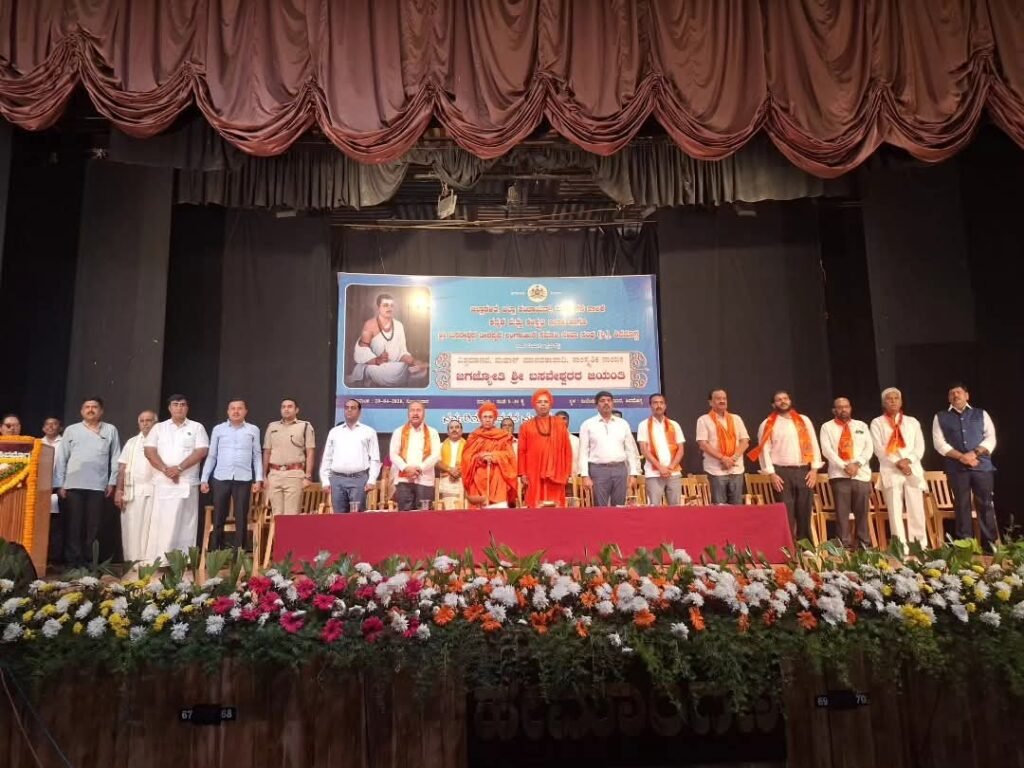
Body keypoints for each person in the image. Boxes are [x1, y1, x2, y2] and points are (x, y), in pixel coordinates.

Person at [53, 397, 121, 568]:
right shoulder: (72, 430)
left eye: (94, 407)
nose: (91, 410)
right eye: (87, 407)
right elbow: (62, 458)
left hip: (98, 485)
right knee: (73, 525)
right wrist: (60, 483)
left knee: (94, 526)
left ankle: (91, 561)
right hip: (73, 484)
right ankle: (72, 562)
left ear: (101, 411)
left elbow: (115, 457)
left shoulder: (110, 430)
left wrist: (112, 482)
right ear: (81, 411)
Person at [748, 390, 823, 541]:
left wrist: (814, 469)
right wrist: (771, 474)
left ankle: (805, 546)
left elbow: (814, 443)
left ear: (790, 401)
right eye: (779, 399)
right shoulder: (767, 424)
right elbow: (764, 451)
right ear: (773, 404)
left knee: (804, 510)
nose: (783, 401)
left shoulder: (803, 420)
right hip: (781, 473)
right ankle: (788, 546)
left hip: (803, 470)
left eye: (785, 398)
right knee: (785, 511)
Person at [143, 395, 210, 564]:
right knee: (162, 522)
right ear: (169, 408)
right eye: (175, 404)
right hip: (163, 481)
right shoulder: (159, 428)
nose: (179, 407)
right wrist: (166, 470)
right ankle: (159, 561)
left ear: (187, 408)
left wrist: (179, 468)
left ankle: (182, 561)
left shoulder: (197, 427)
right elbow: (149, 451)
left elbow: (201, 451)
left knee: (185, 523)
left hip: (186, 481)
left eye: (182, 404)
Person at [931, 383, 998, 548]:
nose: (956, 395)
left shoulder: (981, 414)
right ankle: (965, 547)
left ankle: (990, 545)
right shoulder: (940, 417)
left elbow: (991, 438)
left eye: (959, 392)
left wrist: (974, 453)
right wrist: (962, 457)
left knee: (985, 504)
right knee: (961, 505)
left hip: (981, 466)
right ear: (949, 398)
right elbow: (939, 444)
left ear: (967, 396)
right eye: (952, 393)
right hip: (957, 468)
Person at [200, 400, 263, 551]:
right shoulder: (219, 429)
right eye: (232, 409)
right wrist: (204, 479)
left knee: (241, 517)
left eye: (239, 408)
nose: (236, 411)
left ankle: (239, 552)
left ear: (245, 411)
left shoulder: (253, 430)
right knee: (219, 516)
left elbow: (257, 456)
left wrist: (259, 479)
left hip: (243, 478)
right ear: (228, 411)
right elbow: (212, 456)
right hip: (221, 477)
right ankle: (216, 552)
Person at [870, 388, 928, 547]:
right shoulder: (877, 422)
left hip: (911, 469)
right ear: (884, 403)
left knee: (916, 509)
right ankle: (900, 547)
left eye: (896, 398)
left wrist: (908, 460)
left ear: (901, 402)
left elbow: (920, 447)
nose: (893, 401)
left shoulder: (912, 421)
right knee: (895, 510)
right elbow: (879, 448)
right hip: (891, 470)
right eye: (889, 399)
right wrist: (898, 462)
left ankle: (919, 545)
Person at [819, 397, 873, 549]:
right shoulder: (827, 427)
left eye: (846, 406)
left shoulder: (861, 425)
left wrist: (857, 464)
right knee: (842, 513)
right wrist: (844, 466)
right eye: (840, 407)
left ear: (850, 408)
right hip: (839, 475)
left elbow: (869, 448)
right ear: (834, 410)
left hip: (861, 474)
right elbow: (827, 450)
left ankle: (863, 545)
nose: (843, 409)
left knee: (862, 513)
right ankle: (844, 545)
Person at [350, 293, 428, 387]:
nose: (389, 308)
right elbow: (362, 351)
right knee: (374, 370)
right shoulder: (370, 325)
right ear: (378, 307)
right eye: (385, 305)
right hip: (376, 366)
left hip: (395, 366)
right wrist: (377, 360)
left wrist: (413, 361)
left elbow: (402, 353)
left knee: (412, 368)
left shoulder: (399, 325)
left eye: (392, 305)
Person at [578, 391, 642, 506]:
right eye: (602, 401)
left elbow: (630, 451)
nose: (606, 403)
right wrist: (585, 475)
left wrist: (633, 473)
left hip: (620, 469)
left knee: (619, 506)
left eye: (609, 400)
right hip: (598, 470)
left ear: (613, 404)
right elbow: (583, 452)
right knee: (600, 507)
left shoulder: (622, 424)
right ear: (596, 405)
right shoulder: (587, 424)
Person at [319, 399, 380, 513]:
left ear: (359, 412)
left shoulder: (369, 432)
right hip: (337, 479)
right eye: (346, 408)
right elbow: (327, 458)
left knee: (357, 517)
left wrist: (372, 480)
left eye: (353, 408)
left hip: (359, 479)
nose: (349, 410)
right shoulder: (334, 432)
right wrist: (325, 481)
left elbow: (375, 459)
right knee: (339, 517)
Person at [114, 410, 158, 562]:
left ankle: (149, 562)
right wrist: (119, 490)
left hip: (154, 490)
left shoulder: (162, 441)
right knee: (131, 527)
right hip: (132, 490)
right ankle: (132, 562)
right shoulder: (131, 442)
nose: (145, 424)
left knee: (150, 528)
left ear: (155, 423)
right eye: (142, 421)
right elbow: (122, 467)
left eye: (149, 420)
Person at [518, 389, 573, 507]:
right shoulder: (525, 426)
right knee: (535, 502)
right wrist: (522, 473)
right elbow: (522, 451)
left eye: (545, 401)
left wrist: (567, 472)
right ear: (534, 405)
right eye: (539, 402)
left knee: (556, 504)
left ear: (550, 404)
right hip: (534, 471)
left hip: (556, 471)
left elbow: (567, 450)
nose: (543, 404)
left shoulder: (560, 424)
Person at [695, 389, 750, 505]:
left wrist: (732, 459)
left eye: (724, 398)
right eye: (718, 398)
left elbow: (745, 441)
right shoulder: (704, 420)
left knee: (737, 506)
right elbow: (703, 444)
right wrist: (723, 458)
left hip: (736, 468)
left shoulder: (736, 419)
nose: (722, 401)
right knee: (719, 508)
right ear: (710, 402)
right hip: (716, 470)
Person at [262, 398, 316, 517]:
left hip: (294, 474)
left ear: (296, 410)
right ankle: (279, 531)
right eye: (283, 407)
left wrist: (308, 476)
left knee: (291, 515)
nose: (286, 409)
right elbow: (267, 452)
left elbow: (310, 452)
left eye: (290, 406)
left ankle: (290, 531)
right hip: (274, 474)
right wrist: (264, 476)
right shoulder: (272, 426)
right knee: (277, 515)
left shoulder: (305, 426)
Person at [461, 402, 518, 508]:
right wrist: (480, 457)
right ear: (480, 418)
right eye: (485, 417)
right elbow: (466, 458)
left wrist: (495, 456)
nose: (487, 419)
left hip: (498, 476)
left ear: (494, 419)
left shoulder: (503, 436)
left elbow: (510, 456)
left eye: (490, 417)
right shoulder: (473, 437)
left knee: (497, 511)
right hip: (478, 477)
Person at [389, 401, 441, 510]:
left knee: (424, 515)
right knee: (405, 515)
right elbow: (393, 454)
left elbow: (435, 455)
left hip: (425, 479)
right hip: (404, 479)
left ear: (424, 413)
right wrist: (405, 468)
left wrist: (420, 468)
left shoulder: (432, 432)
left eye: (418, 410)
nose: (415, 413)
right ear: (408, 413)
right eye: (412, 410)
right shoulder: (398, 432)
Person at [636, 393, 684, 506]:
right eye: (655, 403)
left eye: (661, 403)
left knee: (675, 508)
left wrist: (670, 467)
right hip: (654, 473)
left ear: (665, 406)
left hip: (673, 472)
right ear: (650, 406)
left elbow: (680, 449)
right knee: (654, 508)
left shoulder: (674, 425)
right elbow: (644, 450)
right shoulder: (643, 425)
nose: (659, 405)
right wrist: (660, 467)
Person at [436, 420, 466, 508]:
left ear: (461, 431)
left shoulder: (468, 446)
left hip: (463, 480)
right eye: (451, 428)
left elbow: (470, 462)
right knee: (447, 509)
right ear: (447, 432)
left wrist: (459, 471)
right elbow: (437, 462)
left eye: (457, 427)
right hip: (446, 481)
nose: (454, 430)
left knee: (463, 510)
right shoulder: (441, 446)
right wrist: (450, 470)